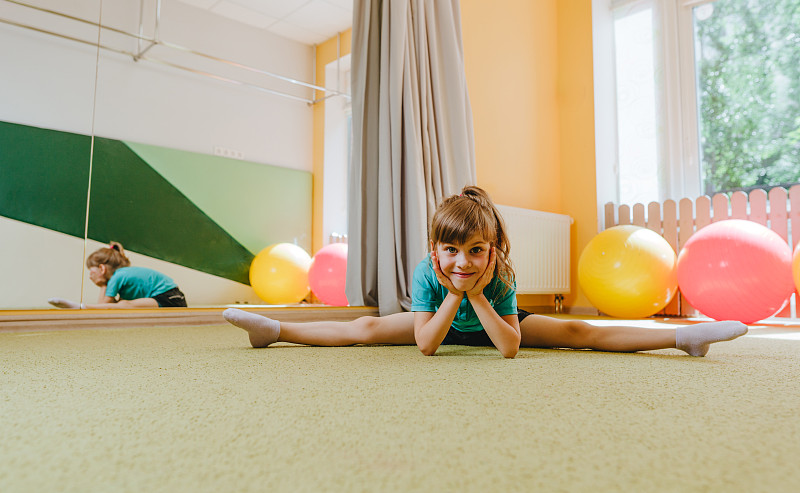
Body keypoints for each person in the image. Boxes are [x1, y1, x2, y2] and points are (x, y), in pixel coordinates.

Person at [223, 186, 747, 358]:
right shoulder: (430, 273)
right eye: (451, 251)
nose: (463, 262)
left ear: (493, 250)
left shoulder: (499, 275)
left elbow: (510, 347)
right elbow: (427, 344)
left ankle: (683, 337)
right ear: (435, 251)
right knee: (362, 328)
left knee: (579, 330)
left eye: (476, 251)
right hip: (438, 322)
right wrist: (452, 293)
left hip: (497, 320)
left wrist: (477, 293)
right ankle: (275, 331)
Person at [48, 242, 187, 309]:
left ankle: (80, 306)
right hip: (172, 296)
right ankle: (81, 306)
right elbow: (110, 305)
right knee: (121, 304)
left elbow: (102, 306)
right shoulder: (121, 276)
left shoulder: (117, 277)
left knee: (124, 304)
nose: (90, 276)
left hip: (171, 297)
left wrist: (102, 285)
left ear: (102, 268)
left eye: (92, 271)